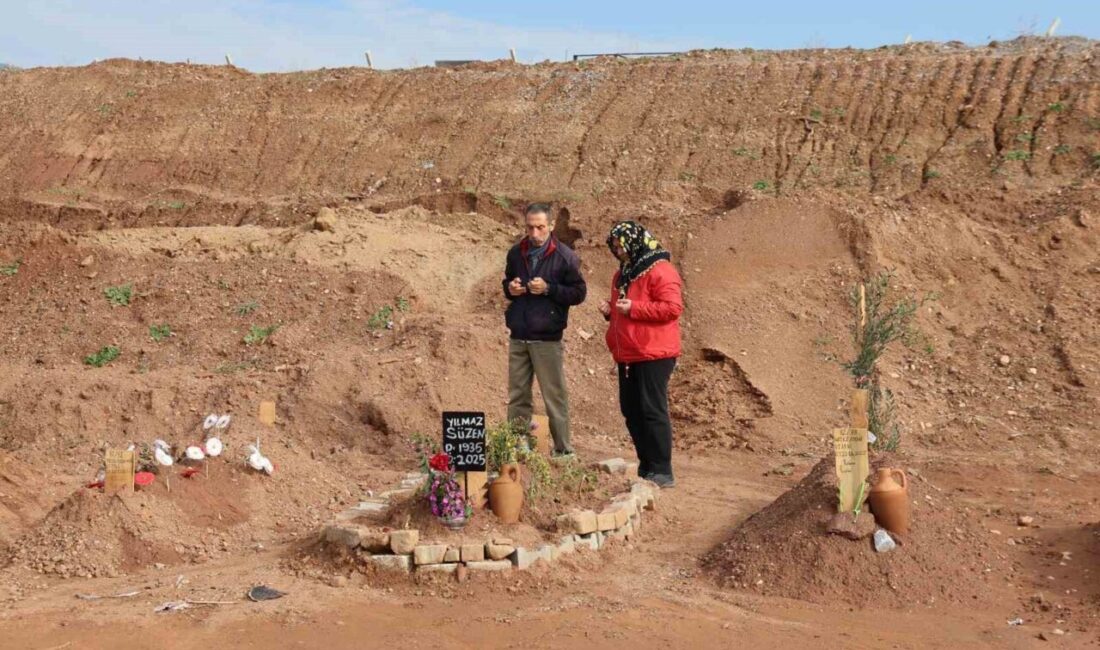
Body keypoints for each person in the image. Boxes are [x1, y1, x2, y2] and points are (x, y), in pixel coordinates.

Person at [600, 220, 683, 487]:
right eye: (613, 245)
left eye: (620, 244)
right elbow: (625, 310)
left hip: (654, 352)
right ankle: (647, 466)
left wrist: (633, 308)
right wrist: (611, 312)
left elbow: (672, 308)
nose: (617, 250)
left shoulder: (661, 270)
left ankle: (662, 469)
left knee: (651, 410)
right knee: (631, 409)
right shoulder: (624, 272)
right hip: (629, 353)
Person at [503, 203, 587, 457]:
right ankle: (518, 447)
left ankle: (563, 450)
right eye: (530, 227)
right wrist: (511, 288)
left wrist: (549, 288)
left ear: (550, 226)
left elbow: (579, 293)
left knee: (554, 396)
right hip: (519, 334)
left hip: (547, 338)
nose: (535, 233)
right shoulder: (516, 253)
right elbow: (507, 281)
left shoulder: (565, 257)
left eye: (540, 227)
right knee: (518, 395)